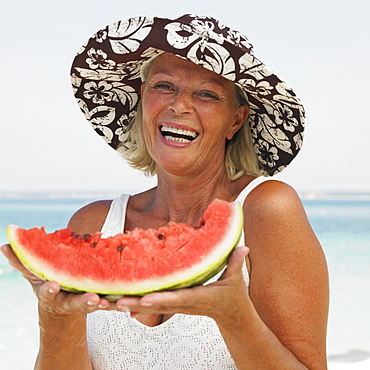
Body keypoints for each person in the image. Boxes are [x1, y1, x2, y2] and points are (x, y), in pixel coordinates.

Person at [2, 14, 329, 369]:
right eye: (163, 86)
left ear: (236, 120)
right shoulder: (94, 221)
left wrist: (235, 317)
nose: (179, 105)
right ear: (143, 99)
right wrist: (54, 318)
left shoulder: (266, 209)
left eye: (206, 94)